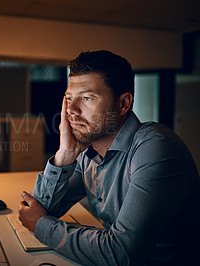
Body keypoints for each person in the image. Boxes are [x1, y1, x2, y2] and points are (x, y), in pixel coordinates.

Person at [18, 50, 200, 265]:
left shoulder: (156, 148)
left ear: (123, 104)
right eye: (69, 98)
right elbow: (38, 209)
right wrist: (64, 155)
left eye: (87, 98)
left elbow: (119, 254)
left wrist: (41, 224)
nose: (72, 111)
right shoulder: (88, 151)